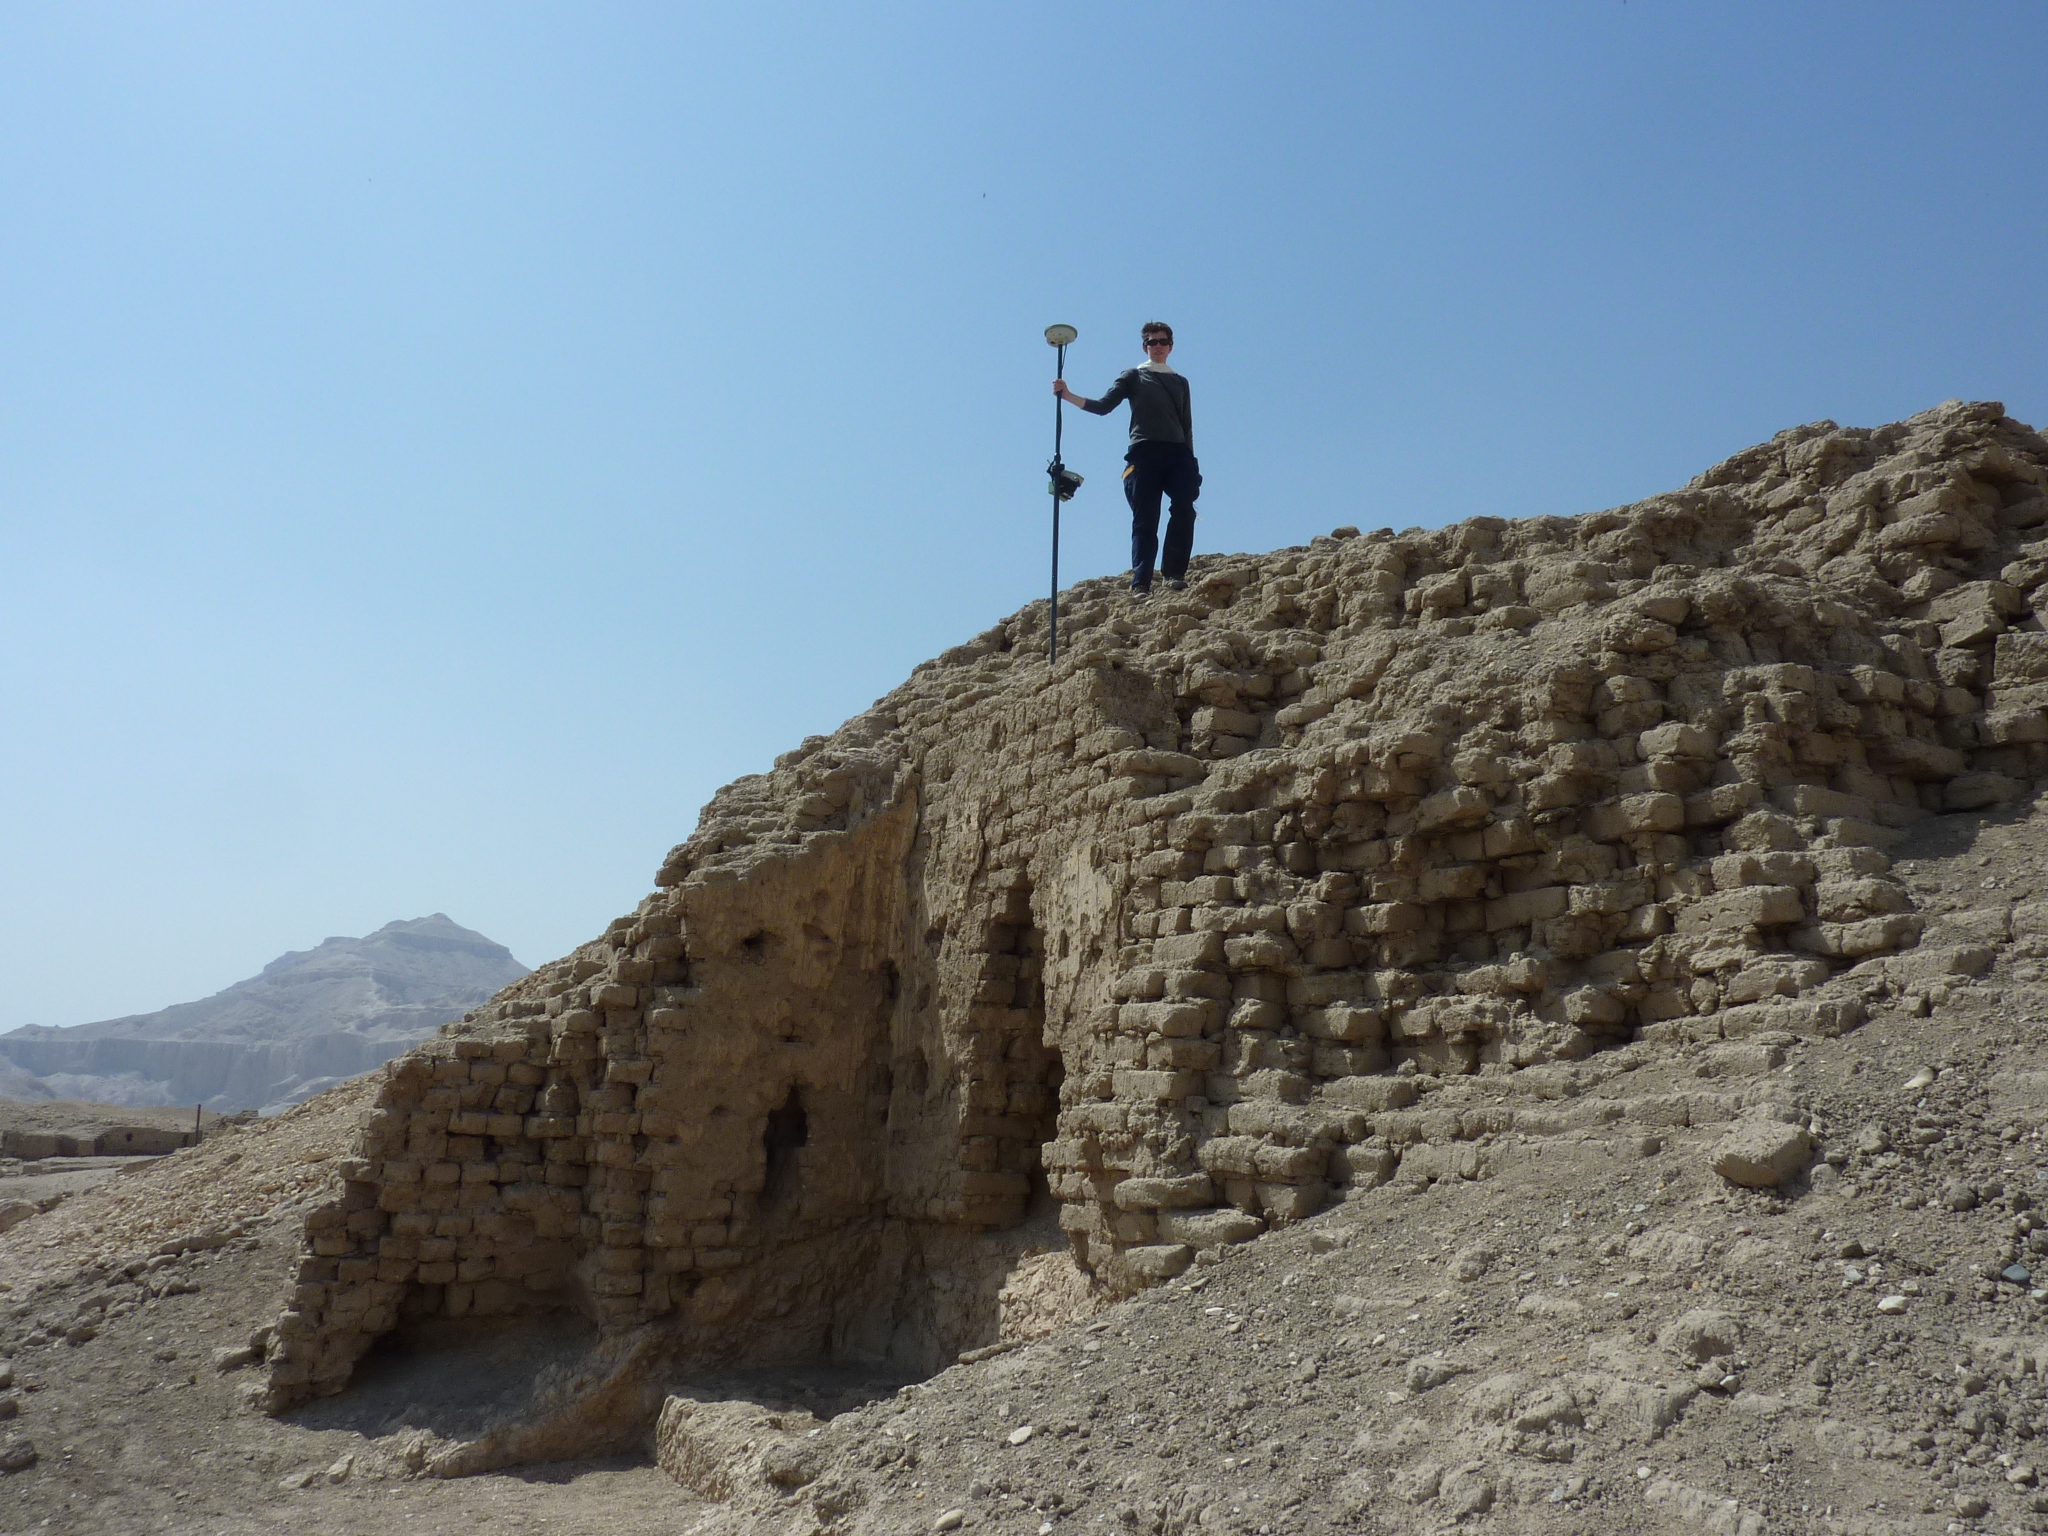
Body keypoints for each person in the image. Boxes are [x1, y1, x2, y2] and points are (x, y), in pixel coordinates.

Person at [1055, 321, 1199, 596]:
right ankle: (1141, 582)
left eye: (1162, 342)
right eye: (1152, 342)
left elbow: (1186, 424)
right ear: (1145, 346)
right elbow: (1103, 406)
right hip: (1144, 452)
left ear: (1171, 346)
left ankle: (1174, 574)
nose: (1158, 347)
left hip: (1178, 453)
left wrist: (1192, 462)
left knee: (1184, 507)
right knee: (1146, 518)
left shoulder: (1180, 381)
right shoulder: (1134, 376)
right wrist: (1068, 395)